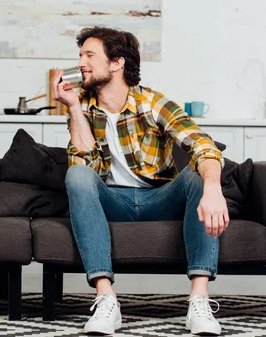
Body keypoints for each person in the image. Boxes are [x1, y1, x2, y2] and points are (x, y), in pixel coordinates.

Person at [51, 26, 227, 336]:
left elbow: (202, 144)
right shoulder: (83, 105)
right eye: (80, 55)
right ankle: (106, 299)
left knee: (200, 172)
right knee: (76, 174)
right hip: (113, 201)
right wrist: (74, 108)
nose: (81, 62)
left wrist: (213, 189)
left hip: (160, 199)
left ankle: (198, 300)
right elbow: (83, 164)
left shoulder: (151, 103)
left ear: (117, 63)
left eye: (90, 55)